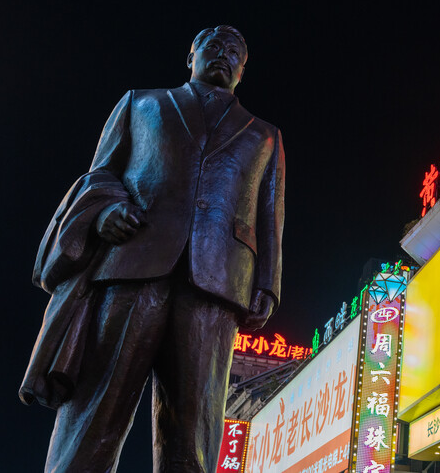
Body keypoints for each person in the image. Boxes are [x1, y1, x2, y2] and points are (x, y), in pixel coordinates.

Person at [21, 25, 285, 472]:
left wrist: (268, 284)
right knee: (94, 414)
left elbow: (270, 216)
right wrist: (105, 213)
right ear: (191, 56)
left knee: (194, 433)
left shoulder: (265, 135)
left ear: (243, 68)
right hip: (130, 267)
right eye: (213, 47)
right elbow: (101, 174)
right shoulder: (141, 104)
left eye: (234, 52)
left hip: (217, 283)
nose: (223, 55)